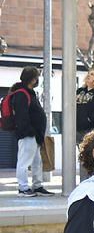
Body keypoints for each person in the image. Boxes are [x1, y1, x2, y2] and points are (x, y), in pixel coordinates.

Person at [10, 66, 50, 197]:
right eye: (37, 77)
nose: (38, 80)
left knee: (37, 162)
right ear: (32, 79)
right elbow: (22, 116)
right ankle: (23, 188)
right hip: (28, 135)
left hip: (35, 136)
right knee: (24, 162)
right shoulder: (21, 94)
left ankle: (37, 186)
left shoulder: (30, 92)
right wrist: (31, 131)